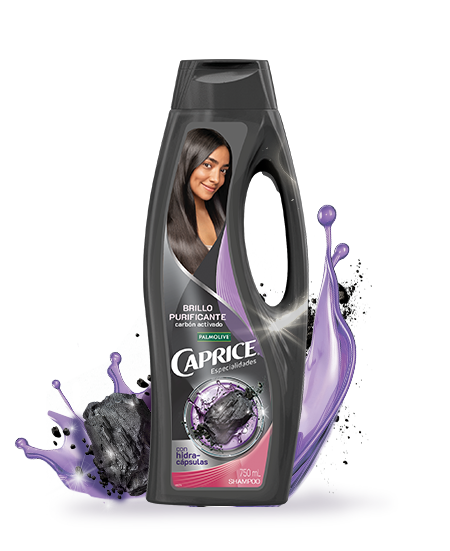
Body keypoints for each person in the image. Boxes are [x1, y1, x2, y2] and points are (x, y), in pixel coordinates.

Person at [168, 128, 232, 274]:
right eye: (208, 165)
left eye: (223, 170)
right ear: (186, 162)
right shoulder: (164, 225)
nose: (216, 179)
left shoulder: (226, 216)